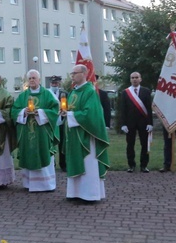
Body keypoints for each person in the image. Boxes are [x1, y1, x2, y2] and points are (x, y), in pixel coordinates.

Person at [60, 64, 110, 202]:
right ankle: (75, 193)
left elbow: (90, 114)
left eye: (75, 73)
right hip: (74, 133)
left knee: (88, 163)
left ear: (84, 74)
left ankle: (89, 194)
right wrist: (65, 113)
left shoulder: (90, 91)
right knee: (75, 161)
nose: (72, 76)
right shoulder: (74, 92)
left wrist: (70, 115)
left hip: (86, 135)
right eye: (72, 74)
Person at [12, 70, 60, 192]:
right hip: (27, 132)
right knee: (29, 154)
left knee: (43, 152)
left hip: (42, 132)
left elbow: (55, 109)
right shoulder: (23, 96)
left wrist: (41, 113)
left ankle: (46, 185)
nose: (32, 80)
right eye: (30, 78)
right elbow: (14, 111)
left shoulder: (47, 94)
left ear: (39, 80)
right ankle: (29, 184)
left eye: (34, 78)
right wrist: (23, 112)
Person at [119, 72, 153, 173]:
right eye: (132, 78)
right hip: (130, 123)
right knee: (130, 144)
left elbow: (148, 108)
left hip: (143, 122)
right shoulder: (125, 92)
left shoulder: (146, 91)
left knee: (144, 144)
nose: (134, 79)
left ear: (140, 79)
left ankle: (144, 165)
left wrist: (150, 123)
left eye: (136, 77)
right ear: (130, 79)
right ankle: (131, 165)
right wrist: (123, 124)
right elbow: (123, 109)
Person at [48, 75, 67, 171]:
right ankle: (52, 164)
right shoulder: (47, 93)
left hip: (62, 121)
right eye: (52, 83)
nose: (54, 84)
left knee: (63, 142)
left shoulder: (64, 93)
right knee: (51, 143)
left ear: (59, 83)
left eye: (56, 83)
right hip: (51, 122)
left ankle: (64, 164)